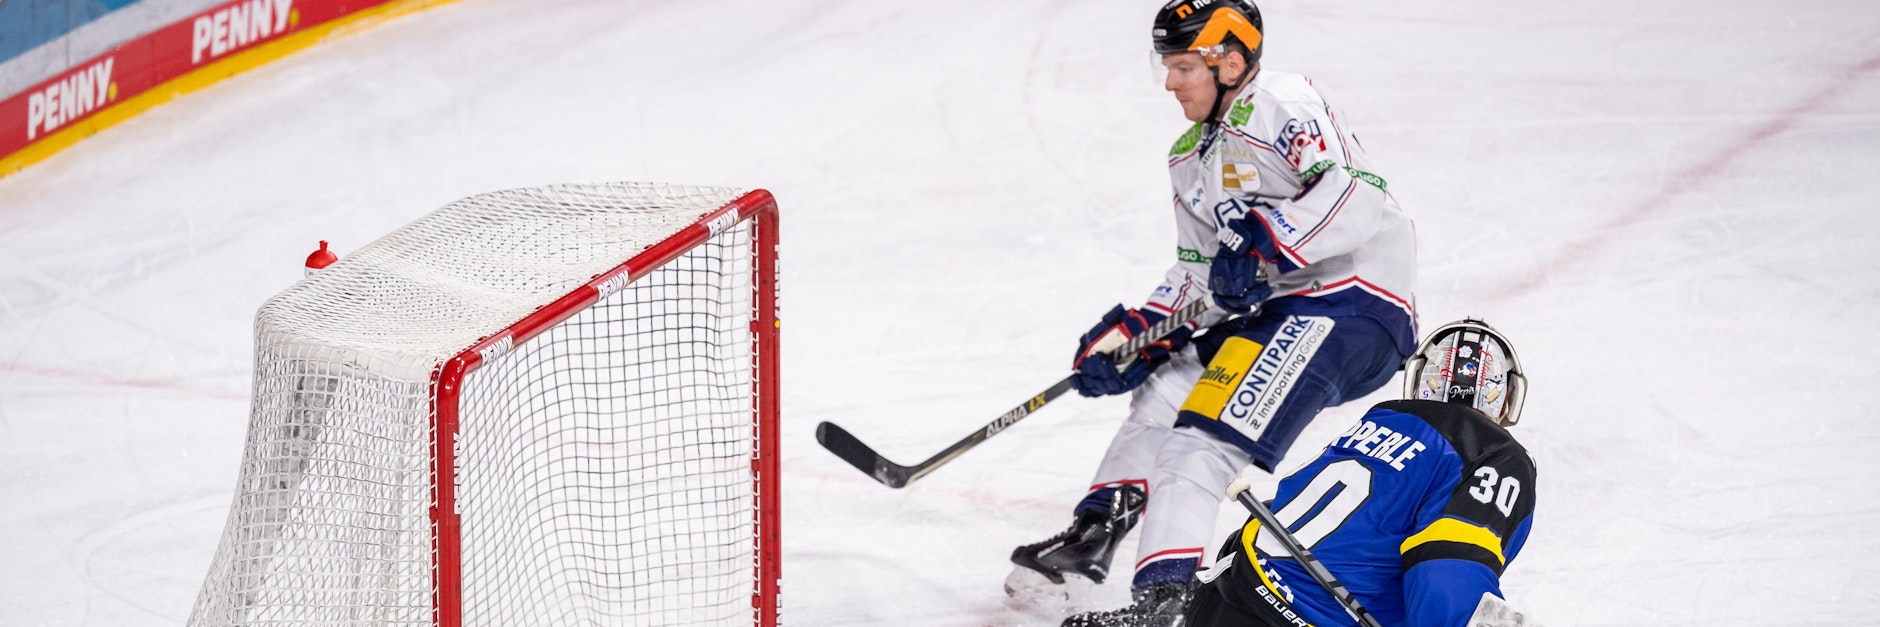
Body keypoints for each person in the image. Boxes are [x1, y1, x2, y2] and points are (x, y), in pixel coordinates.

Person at [1005, 1, 1419, 625]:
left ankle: (1165, 607)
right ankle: (1098, 526)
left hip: (1353, 305)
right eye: (1165, 67)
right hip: (1279, 311)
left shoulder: (1284, 101)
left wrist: (1270, 237)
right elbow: (1201, 272)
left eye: (1182, 67)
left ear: (1230, 62)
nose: (1170, 83)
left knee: (1201, 441)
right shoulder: (1189, 157)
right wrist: (1140, 330)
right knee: (1167, 384)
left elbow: (1356, 193)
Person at [1183, 319, 1536, 627]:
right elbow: (1446, 579)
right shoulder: (1493, 455)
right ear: (1505, 399)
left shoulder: (1381, 421)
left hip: (1222, 595)